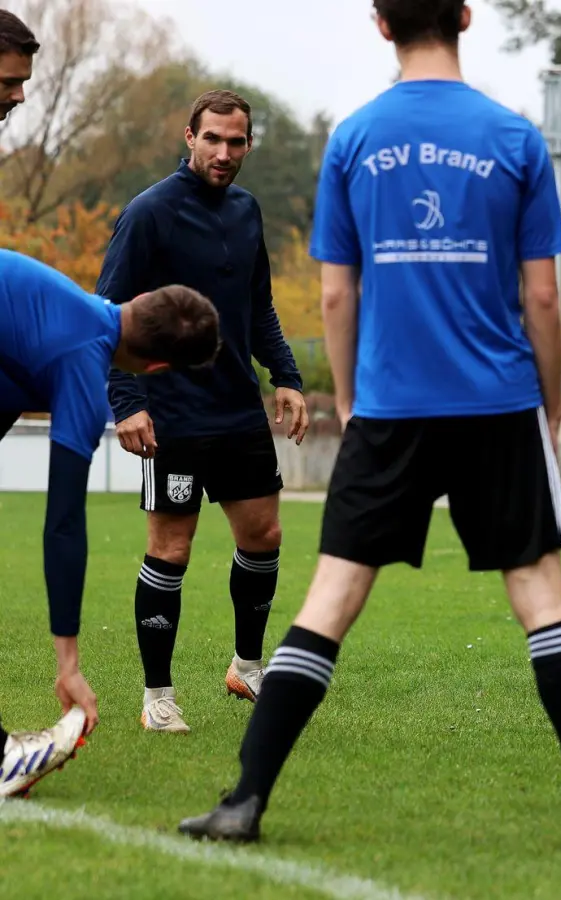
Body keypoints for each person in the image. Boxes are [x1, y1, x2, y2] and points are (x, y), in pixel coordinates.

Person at [176, 0, 561, 852]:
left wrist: (355, 398)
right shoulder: (514, 137)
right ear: (466, 17)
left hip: (390, 409)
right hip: (497, 404)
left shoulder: (356, 139)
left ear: (379, 23)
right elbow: (542, 295)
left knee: (332, 596)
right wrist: (548, 402)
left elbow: (335, 292)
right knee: (540, 596)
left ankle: (244, 801)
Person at [100, 89, 309, 734]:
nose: (224, 153)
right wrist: (128, 401)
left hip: (237, 409)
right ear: (188, 137)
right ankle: (157, 695)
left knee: (264, 536)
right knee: (172, 548)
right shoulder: (149, 213)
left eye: (236, 141)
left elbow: (259, 305)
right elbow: (107, 314)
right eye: (212, 139)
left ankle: (247, 666)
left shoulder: (247, 211)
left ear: (249, 144)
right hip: (173, 414)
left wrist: (288, 376)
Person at [0, 249, 221, 797]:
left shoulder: (65, 309)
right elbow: (64, 524)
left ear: (139, 300)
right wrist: (68, 663)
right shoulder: (80, 357)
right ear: (157, 369)